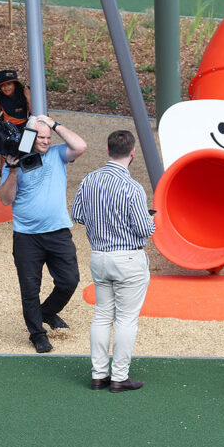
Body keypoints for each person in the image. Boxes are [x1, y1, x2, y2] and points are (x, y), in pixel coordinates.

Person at [71, 130, 155, 393]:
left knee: (102, 315)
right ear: (132, 153)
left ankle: (98, 374)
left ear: (108, 150)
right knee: (127, 319)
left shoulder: (89, 180)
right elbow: (144, 229)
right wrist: (153, 219)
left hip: (99, 255)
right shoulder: (132, 187)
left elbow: (77, 215)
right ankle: (119, 376)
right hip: (128, 256)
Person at [0, 114, 88, 353]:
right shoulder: (14, 160)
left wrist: (54, 125)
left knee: (69, 280)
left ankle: (47, 312)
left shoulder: (58, 153)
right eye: (41, 138)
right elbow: (5, 199)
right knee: (30, 288)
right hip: (27, 236)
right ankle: (37, 333)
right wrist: (14, 170)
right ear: (29, 137)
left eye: (49, 137)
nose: (47, 141)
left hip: (58, 231)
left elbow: (81, 146)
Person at [0, 70, 33, 176]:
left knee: (25, 156)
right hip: (8, 130)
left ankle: (24, 179)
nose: (6, 88)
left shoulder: (24, 94)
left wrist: (28, 97)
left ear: (15, 84)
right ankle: (4, 175)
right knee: (5, 156)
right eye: (3, 85)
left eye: (9, 84)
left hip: (24, 128)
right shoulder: (0, 98)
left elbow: (34, 112)